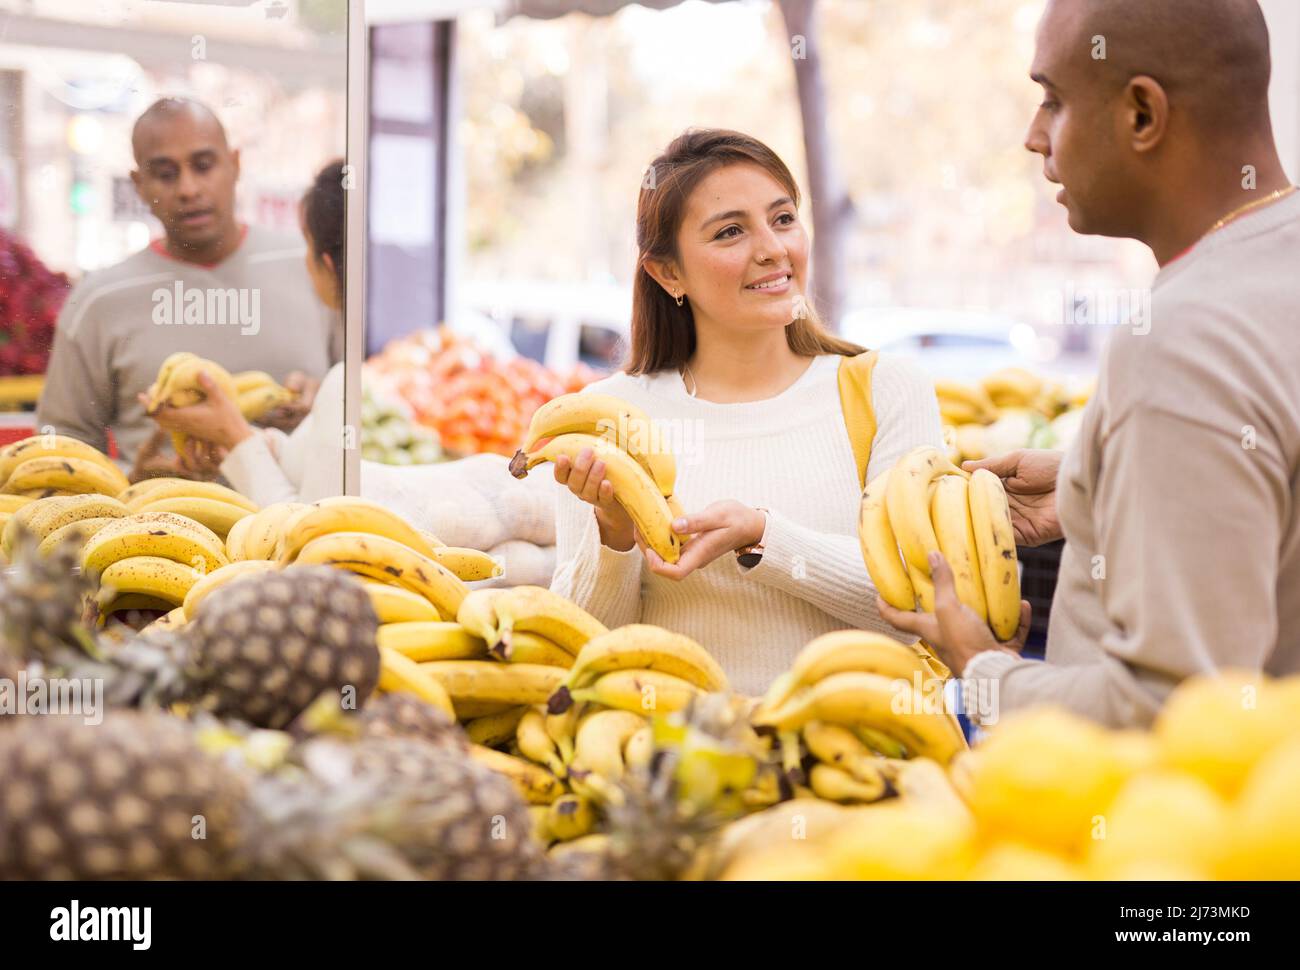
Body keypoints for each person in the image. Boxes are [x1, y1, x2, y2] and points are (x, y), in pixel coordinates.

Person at [879, 0, 1300, 728]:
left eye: (1053, 99)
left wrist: (983, 674)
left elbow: (1172, 710)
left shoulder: (1181, 338)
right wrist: (1098, 484)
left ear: (1142, 114)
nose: (1032, 137)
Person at [549, 129, 945, 697]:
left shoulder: (885, 392)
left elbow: (920, 607)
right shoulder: (607, 419)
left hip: (857, 758)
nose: (772, 248)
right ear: (668, 273)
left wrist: (765, 538)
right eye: (731, 231)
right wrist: (612, 537)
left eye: (783, 219)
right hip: (681, 763)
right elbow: (584, 655)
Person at [149, 161, 559, 586]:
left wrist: (236, 436)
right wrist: (265, 445)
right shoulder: (354, 381)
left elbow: (308, 544)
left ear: (324, 261)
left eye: (306, 247)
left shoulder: (343, 384)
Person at [36, 97, 342, 477]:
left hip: (308, 528)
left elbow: (370, 399)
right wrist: (130, 483)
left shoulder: (312, 266)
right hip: (154, 528)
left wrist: (330, 400)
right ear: (138, 184)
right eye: (165, 173)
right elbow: (64, 445)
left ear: (235, 164)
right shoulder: (98, 301)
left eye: (203, 165)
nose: (188, 188)